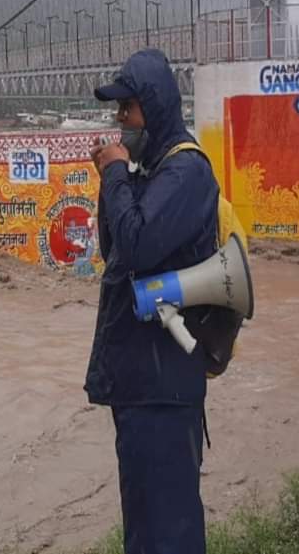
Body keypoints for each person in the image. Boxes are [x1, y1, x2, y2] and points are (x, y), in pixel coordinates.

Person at [87, 48, 219, 554]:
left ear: (156, 106)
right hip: (141, 384)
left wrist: (117, 174)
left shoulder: (185, 174)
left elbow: (140, 245)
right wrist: (112, 184)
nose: (120, 121)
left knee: (170, 529)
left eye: (128, 109)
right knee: (144, 527)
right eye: (118, 111)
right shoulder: (153, 173)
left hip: (164, 388)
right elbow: (116, 254)